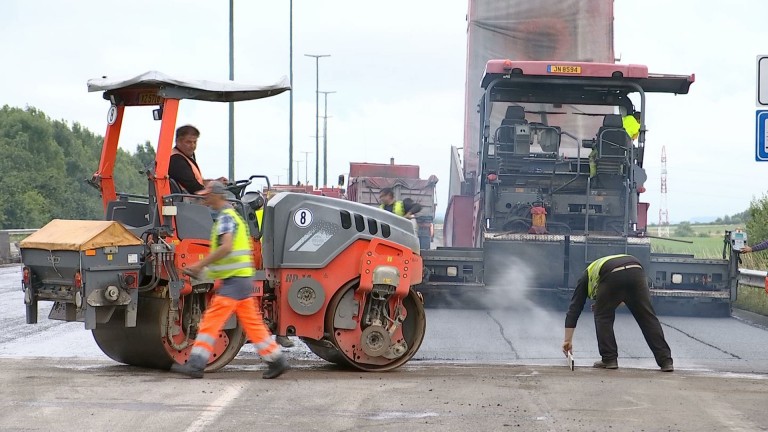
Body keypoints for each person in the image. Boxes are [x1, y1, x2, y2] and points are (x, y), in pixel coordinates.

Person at [170, 181, 289, 379]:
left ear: (218, 195)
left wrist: (200, 266)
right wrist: (206, 273)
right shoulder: (231, 216)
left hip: (235, 281)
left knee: (211, 320)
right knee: (253, 324)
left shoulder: (225, 217)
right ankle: (277, 360)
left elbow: (225, 248)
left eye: (208, 194)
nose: (205, 198)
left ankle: (196, 364)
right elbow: (228, 257)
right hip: (240, 279)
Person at [561, 254, 674, 372]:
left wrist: (567, 340)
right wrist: (607, 303)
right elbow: (625, 295)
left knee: (603, 316)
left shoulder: (586, 277)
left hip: (613, 273)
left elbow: (574, 309)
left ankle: (609, 359)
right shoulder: (599, 269)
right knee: (647, 317)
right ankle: (666, 361)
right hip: (636, 268)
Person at [168, 125, 228, 194]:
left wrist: (215, 182)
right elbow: (195, 188)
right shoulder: (177, 160)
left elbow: (197, 183)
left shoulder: (185, 156)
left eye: (195, 142)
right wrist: (215, 186)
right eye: (188, 142)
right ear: (178, 141)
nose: (193, 146)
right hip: (189, 201)